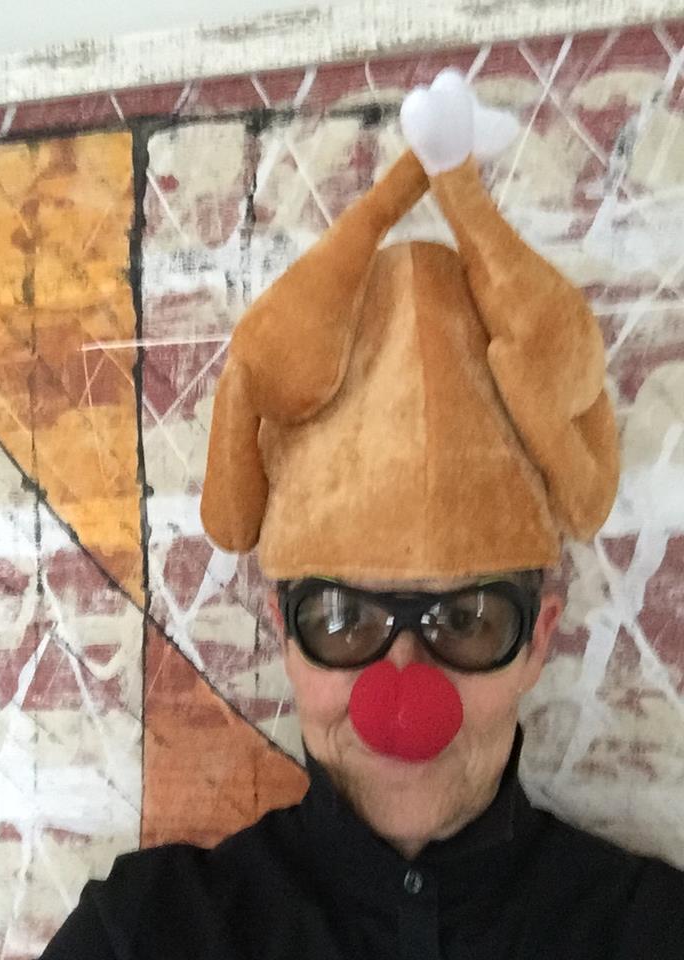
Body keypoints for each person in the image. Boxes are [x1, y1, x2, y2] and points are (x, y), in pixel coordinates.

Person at [40, 71, 683, 960]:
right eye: (343, 619)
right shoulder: (144, 934)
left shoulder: (654, 932)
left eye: (468, 618)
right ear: (284, 634)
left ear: (539, 638)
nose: (403, 680)